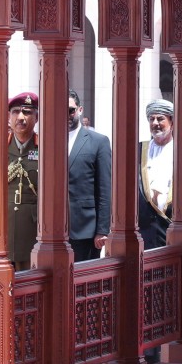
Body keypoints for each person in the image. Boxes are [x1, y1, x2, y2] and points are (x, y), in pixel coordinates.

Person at [68, 90, 111, 262]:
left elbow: (105, 189)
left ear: (80, 109)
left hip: (85, 229)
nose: (67, 114)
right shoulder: (46, 139)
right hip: (51, 231)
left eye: (70, 110)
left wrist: (102, 230)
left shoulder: (98, 141)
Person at [8, 92, 40, 271]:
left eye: (27, 112)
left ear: (36, 117)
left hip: (32, 234)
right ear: (8, 116)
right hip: (2, 233)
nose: (21, 117)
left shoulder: (45, 148)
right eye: (16, 112)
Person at [139, 99, 174, 249]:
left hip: (172, 226)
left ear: (172, 122)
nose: (155, 123)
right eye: (151, 119)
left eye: (160, 118)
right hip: (145, 228)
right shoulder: (139, 149)